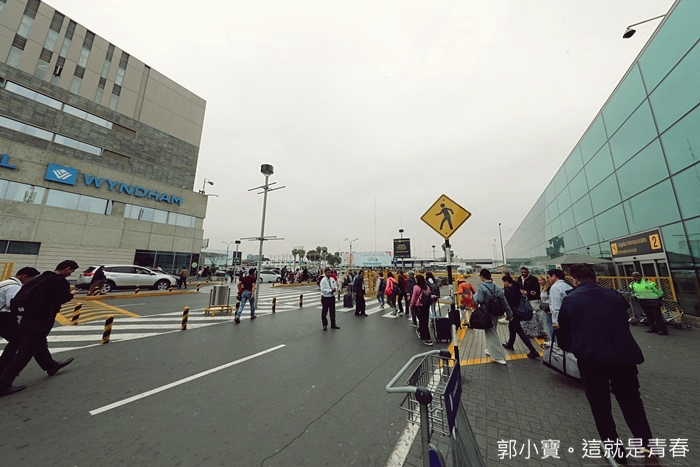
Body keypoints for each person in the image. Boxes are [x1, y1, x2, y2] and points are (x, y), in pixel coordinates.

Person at [558, 264, 653, 464]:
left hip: (591, 359)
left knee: (600, 405)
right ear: (596, 278)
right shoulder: (614, 296)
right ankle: (648, 451)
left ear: (574, 280)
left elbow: (565, 333)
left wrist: (573, 346)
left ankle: (617, 454)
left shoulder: (570, 300)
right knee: (631, 401)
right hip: (623, 356)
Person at [0, 260, 79, 397]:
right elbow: (61, 298)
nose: (70, 274)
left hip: (26, 319)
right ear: (67, 269)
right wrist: (71, 294)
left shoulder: (40, 278)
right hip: (42, 319)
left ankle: (50, 365)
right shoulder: (59, 281)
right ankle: (4, 384)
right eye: (71, 271)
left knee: (38, 343)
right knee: (25, 351)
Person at [0, 267, 41, 373]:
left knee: (16, 339)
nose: (30, 282)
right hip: (3, 316)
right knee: (17, 340)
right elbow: (12, 304)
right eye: (31, 279)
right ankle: (3, 366)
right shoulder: (15, 286)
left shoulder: (6, 282)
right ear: (24, 277)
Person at [473, 269, 510, 365]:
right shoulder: (496, 286)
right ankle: (490, 349)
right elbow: (504, 301)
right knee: (492, 331)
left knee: (491, 333)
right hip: (496, 312)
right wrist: (509, 313)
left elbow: (479, 300)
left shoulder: (481, 287)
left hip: (486, 313)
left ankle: (498, 356)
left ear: (482, 276)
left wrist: (473, 297)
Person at [501, 275, 539, 359]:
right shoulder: (516, 287)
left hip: (513, 314)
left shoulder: (508, 291)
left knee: (520, 332)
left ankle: (532, 350)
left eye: (504, 282)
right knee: (511, 328)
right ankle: (510, 343)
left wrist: (508, 314)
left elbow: (509, 304)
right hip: (519, 311)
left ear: (506, 281)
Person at [548, 269, 573, 344]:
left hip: (560, 318)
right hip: (569, 316)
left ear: (553, 276)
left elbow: (556, 305)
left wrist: (555, 321)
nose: (548, 279)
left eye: (548, 277)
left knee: (562, 341)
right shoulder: (568, 286)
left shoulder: (555, 287)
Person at [409, 274, 434, 346]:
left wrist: (411, 306)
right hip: (426, 306)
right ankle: (421, 332)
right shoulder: (427, 287)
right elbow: (429, 296)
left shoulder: (416, 287)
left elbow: (413, 298)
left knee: (422, 322)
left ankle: (427, 338)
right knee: (424, 321)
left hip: (420, 306)